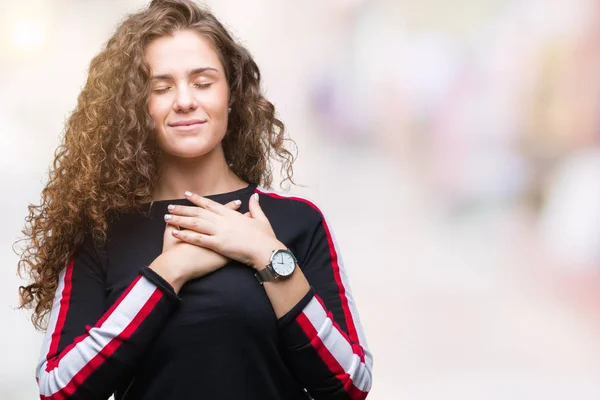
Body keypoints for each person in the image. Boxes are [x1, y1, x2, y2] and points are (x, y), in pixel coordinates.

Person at [17, 0, 373, 399]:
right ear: (136, 106)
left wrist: (267, 255)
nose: (185, 100)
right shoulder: (101, 231)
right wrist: (167, 273)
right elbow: (59, 390)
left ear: (231, 93)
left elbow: (350, 385)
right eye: (161, 87)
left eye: (203, 82)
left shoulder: (296, 222)